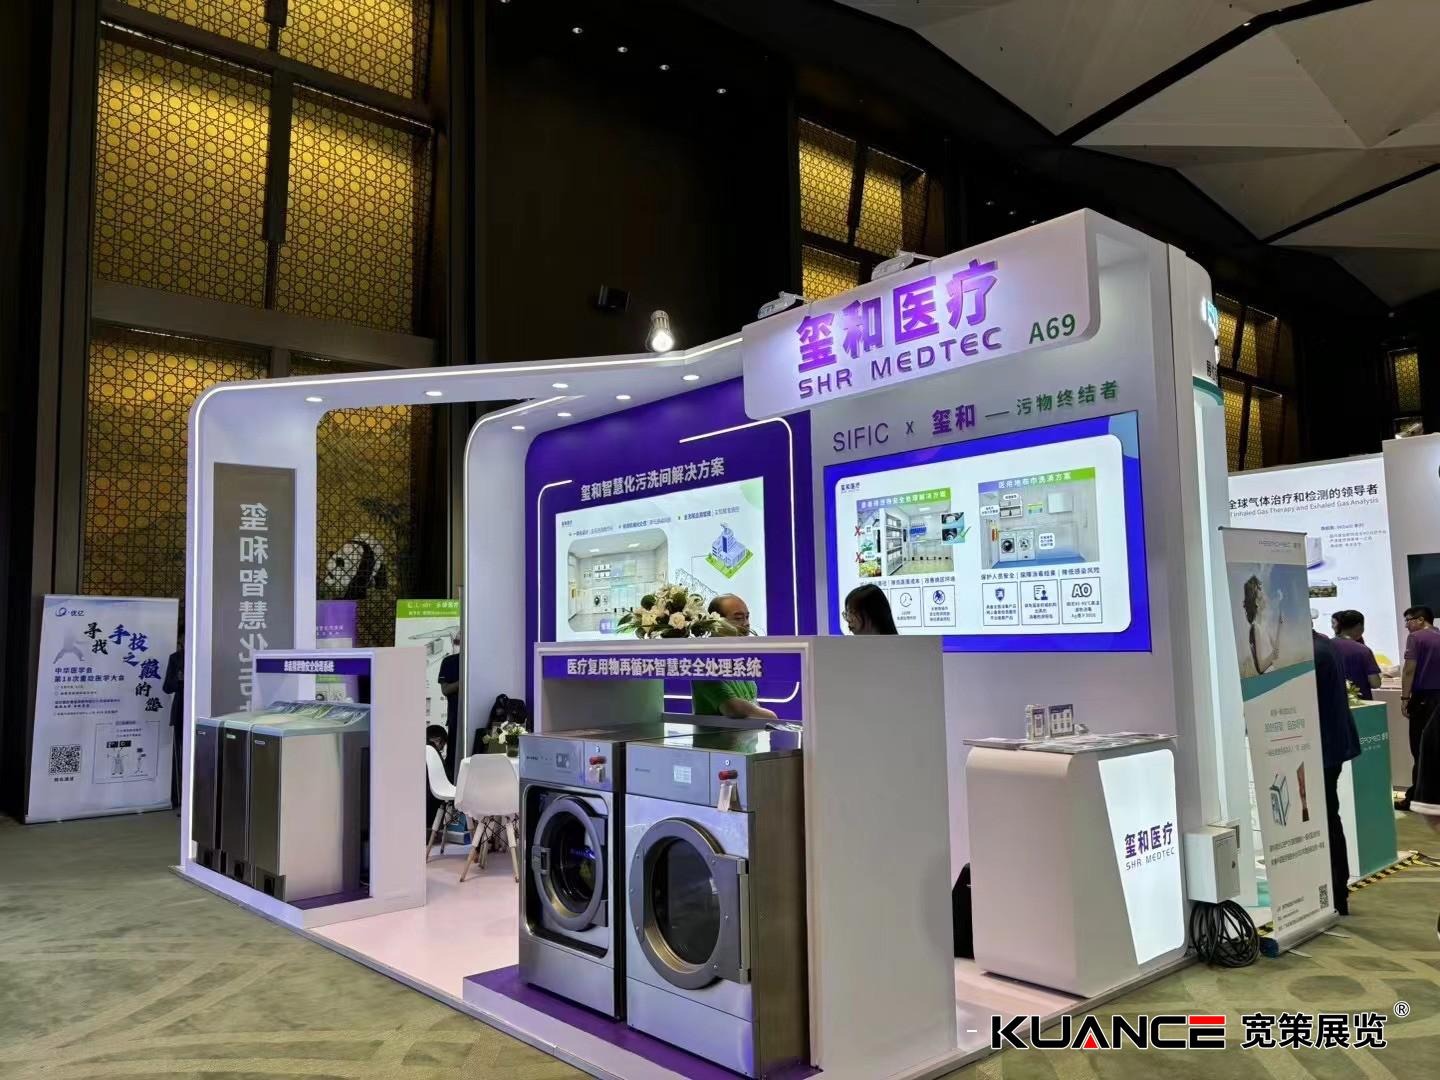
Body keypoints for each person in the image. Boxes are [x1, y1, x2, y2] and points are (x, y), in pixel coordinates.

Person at [1313, 630, 1361, 915]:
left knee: (1326, 819)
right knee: (1329, 816)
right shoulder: (1323, 644)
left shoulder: (1313, 652)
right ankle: (1336, 892)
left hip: (1323, 748)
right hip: (1330, 746)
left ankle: (1335, 893)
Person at [691, 594, 776, 720]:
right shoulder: (705, 663)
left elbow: (751, 704)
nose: (746, 623)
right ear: (717, 622)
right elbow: (733, 709)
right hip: (718, 733)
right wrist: (772, 717)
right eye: (739, 618)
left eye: (747, 617)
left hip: (749, 733)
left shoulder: (740, 659)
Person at [1401, 605, 1440, 809]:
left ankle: (1417, 797)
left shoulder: (1416, 638)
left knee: (1420, 749)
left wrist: (1404, 697)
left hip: (1424, 700)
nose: (1406, 625)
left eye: (1408, 620)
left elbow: (1409, 670)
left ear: (1421, 619)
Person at [1331, 610, 1381, 700]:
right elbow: (1375, 683)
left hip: (1332, 701)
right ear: (1359, 626)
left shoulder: (1326, 646)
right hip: (1360, 703)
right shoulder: (1363, 650)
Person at [163, 618, 184, 811]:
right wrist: (180, 680)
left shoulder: (205, 658)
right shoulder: (176, 658)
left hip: (204, 712)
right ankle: (179, 798)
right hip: (181, 711)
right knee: (180, 756)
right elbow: (167, 687)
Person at [1243, 575, 1282, 675]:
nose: (1266, 598)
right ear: (1257, 602)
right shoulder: (1256, 628)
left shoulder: (1263, 627)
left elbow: (1276, 654)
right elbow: (1261, 667)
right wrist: (1273, 654)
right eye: (1263, 595)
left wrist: (1280, 626)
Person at [438, 632, 460, 778]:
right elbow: (445, 690)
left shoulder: (483, 661)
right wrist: (463, 680)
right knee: (453, 756)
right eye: (457, 641)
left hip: (480, 716)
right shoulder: (449, 661)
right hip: (456, 718)